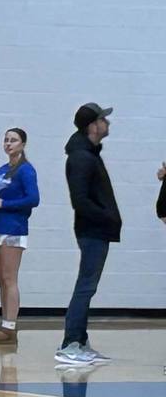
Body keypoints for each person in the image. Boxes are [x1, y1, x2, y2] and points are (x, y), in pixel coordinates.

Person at [56, 103, 120, 365]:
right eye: (103, 119)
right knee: (85, 287)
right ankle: (70, 344)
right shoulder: (81, 157)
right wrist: (107, 216)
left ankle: (80, 342)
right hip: (92, 230)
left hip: (97, 230)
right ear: (92, 126)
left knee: (87, 286)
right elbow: (80, 200)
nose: (108, 123)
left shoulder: (89, 153)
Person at [0, 128, 40, 345]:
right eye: (6, 140)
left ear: (23, 144)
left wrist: (5, 204)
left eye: (13, 140)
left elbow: (33, 199)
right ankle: (5, 323)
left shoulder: (26, 170)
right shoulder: (2, 169)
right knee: (1, 279)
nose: (8, 143)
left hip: (13, 228)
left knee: (9, 278)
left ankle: (10, 326)